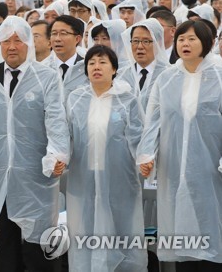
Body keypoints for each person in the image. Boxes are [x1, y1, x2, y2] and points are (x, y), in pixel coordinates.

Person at [0, 16, 69, 272]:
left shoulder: (45, 77)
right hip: (1, 177)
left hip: (35, 176)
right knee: (6, 247)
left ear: (28, 44)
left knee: (38, 249)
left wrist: (58, 154)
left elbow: (56, 119)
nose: (12, 47)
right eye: (6, 41)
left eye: (18, 41)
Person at [138, 20, 222, 271]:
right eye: (181, 39)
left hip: (212, 171)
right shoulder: (167, 79)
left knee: (212, 229)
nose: (185, 44)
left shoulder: (218, 76)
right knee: (182, 237)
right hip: (174, 169)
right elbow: (153, 119)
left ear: (206, 43)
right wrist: (146, 154)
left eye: (192, 38)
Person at [66, 44, 147, 272]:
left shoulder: (127, 99)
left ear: (114, 69)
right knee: (86, 231)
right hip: (84, 177)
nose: (96, 67)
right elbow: (66, 136)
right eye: (91, 63)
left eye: (102, 62)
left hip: (119, 177)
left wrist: (144, 160)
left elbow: (138, 136)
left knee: (121, 230)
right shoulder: (76, 99)